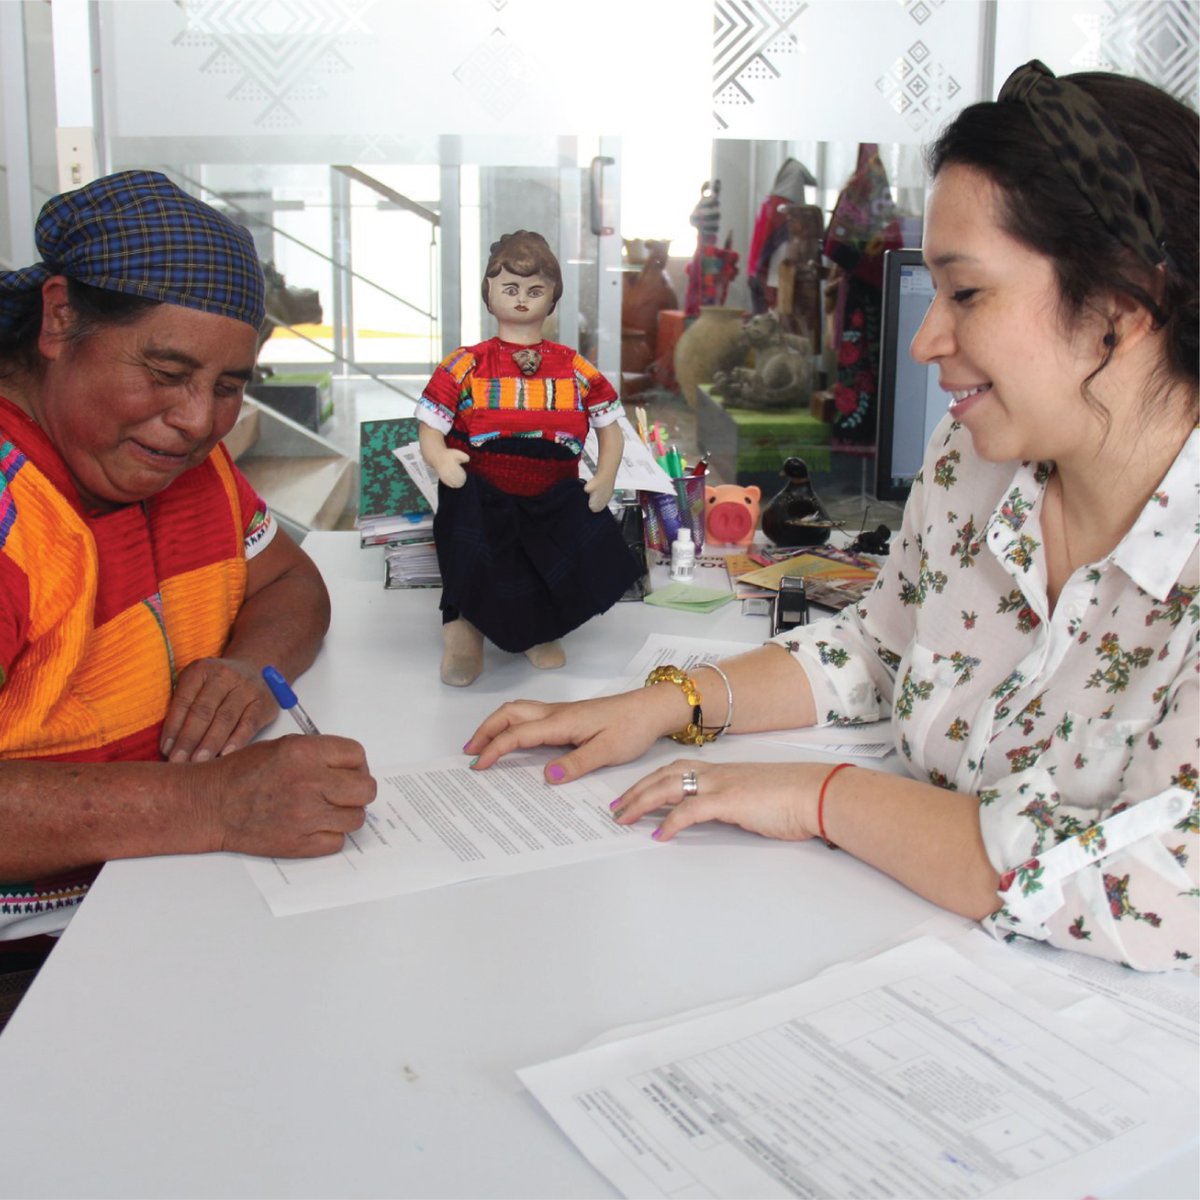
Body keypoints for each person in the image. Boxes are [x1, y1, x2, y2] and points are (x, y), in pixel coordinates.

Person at [465, 63, 1199, 972]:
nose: (928, 341)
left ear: (1119, 313)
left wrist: (820, 798)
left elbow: (1162, 887)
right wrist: (674, 701)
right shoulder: (976, 464)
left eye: (966, 294)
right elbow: (884, 647)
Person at [0, 170, 376, 948]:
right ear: (61, 319)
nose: (198, 420)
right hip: (37, 949)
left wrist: (250, 665)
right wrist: (209, 804)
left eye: (229, 386)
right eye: (167, 375)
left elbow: (291, 583)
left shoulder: (184, 464)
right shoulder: (13, 513)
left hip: (158, 887)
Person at [418, 230, 639, 686]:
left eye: (535, 290)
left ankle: (540, 630)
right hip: (481, 487)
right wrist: (440, 460)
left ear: (553, 296)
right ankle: (464, 633)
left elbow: (610, 429)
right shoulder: (465, 363)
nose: (522, 300)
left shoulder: (576, 367)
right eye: (511, 288)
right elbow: (430, 426)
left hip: (551, 491)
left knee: (543, 563)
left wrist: (606, 475)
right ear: (489, 292)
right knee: (474, 561)